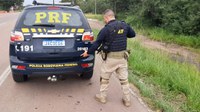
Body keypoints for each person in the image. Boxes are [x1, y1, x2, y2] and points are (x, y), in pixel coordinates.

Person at [81, 9, 136, 107]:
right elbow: (132, 34)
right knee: (124, 80)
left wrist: (87, 52)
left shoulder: (105, 29)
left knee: (105, 79)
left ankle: (102, 97)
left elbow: (96, 44)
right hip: (122, 58)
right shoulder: (124, 25)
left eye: (104, 19)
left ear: (107, 17)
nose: (104, 20)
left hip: (110, 59)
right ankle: (127, 100)